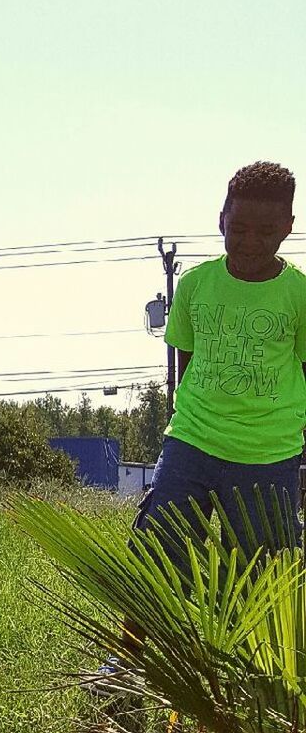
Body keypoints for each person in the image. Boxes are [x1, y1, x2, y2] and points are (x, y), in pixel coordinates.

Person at [139, 162, 305, 565]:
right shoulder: (196, 285)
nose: (250, 242)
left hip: (268, 454)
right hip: (192, 444)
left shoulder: (299, 293)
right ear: (221, 222)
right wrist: (191, 423)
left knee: (266, 577)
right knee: (155, 563)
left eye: (266, 231)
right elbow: (186, 365)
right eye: (239, 229)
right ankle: (133, 632)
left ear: (288, 226)